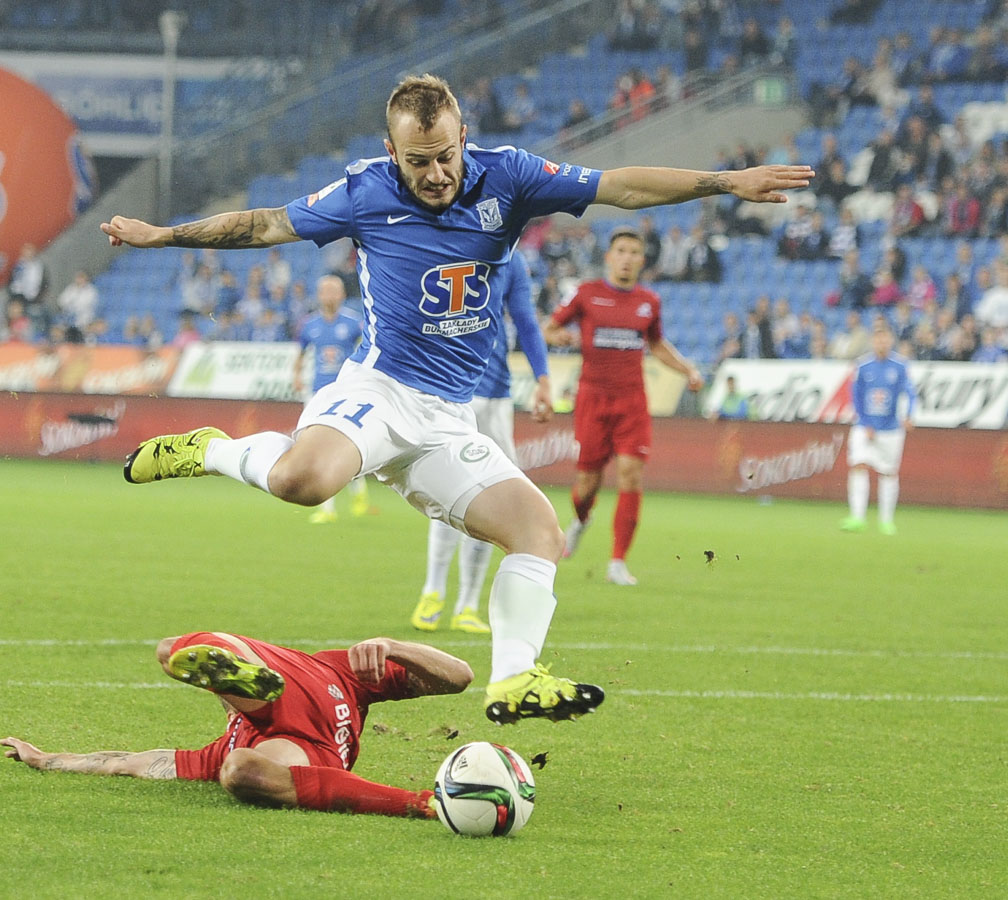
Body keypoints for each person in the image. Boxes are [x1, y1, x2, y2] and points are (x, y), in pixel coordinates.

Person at [100, 74, 810, 724]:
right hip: (379, 390)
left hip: (448, 418)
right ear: (393, 153)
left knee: (539, 531)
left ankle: (515, 679)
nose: (436, 173)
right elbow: (265, 226)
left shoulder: (511, 175)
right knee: (301, 481)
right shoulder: (365, 191)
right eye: (419, 162)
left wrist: (724, 182)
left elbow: (618, 187)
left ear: (463, 137)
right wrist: (163, 236)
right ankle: (210, 451)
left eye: (446, 155)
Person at [1, 631, 471, 819]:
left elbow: (459, 677)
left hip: (303, 687)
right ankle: (425, 804)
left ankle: (232, 667)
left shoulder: (344, 668)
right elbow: (128, 763)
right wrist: (50, 760)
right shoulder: (223, 751)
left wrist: (393, 646)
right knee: (241, 769)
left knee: (169, 650)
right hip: (305, 751)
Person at [543, 227, 704, 586]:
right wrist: (560, 336)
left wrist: (688, 369)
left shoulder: (649, 302)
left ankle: (617, 561)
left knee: (631, 474)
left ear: (642, 260)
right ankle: (581, 519)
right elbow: (548, 328)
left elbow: (657, 345)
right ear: (609, 257)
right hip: (592, 399)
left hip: (632, 401)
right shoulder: (586, 294)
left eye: (634, 252)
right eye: (621, 251)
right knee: (587, 484)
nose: (627, 258)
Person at [412, 253, 552, 635]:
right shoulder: (444, 247)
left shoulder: (510, 258)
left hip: (496, 397)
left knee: (495, 499)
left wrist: (542, 378)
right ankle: (433, 591)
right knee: (448, 493)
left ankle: (468, 605)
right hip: (450, 393)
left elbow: (525, 319)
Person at [292, 275, 368, 524]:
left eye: (334, 291)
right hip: (318, 393)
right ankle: (327, 507)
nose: (330, 296)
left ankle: (358, 490)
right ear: (319, 295)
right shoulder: (309, 324)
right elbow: (301, 353)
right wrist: (296, 376)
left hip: (346, 392)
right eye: (325, 291)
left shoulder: (354, 323)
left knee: (348, 444)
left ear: (342, 295)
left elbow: (367, 351)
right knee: (317, 447)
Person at [842, 321, 915, 535]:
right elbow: (856, 397)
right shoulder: (863, 366)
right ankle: (857, 517)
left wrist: (909, 414)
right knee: (858, 465)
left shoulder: (900, 366)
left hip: (890, 429)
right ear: (873, 341)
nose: (881, 342)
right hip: (864, 427)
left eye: (885, 338)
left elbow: (910, 393)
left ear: (891, 340)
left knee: (888, 472)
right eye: (878, 338)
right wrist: (865, 421)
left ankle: (886, 521)